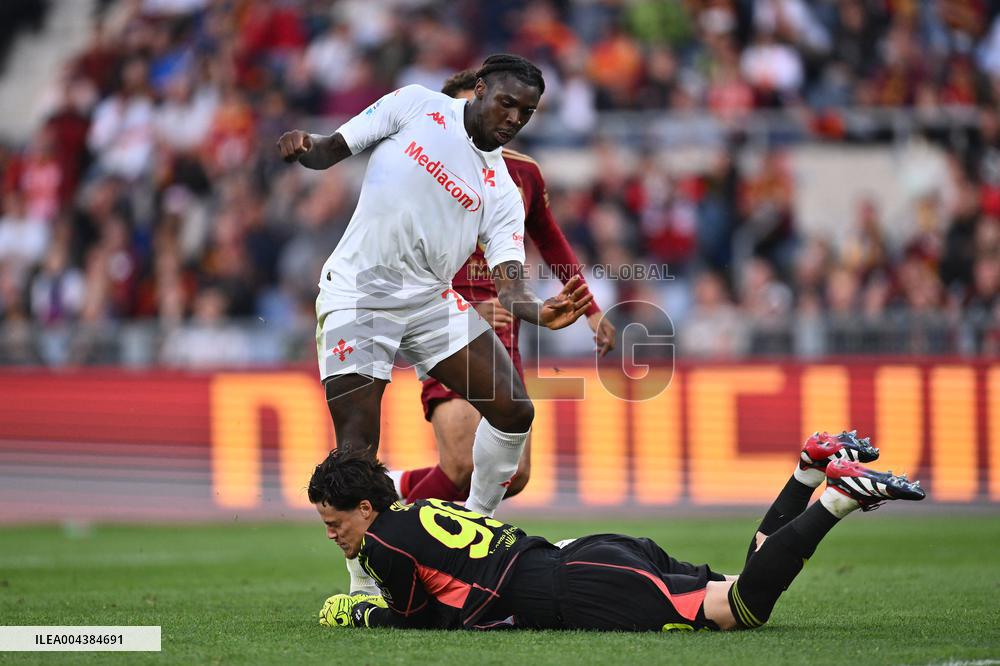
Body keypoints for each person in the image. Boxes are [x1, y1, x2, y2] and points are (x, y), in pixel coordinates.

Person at [278, 53, 591, 596]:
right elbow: (332, 149)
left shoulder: (500, 189)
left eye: (528, 111)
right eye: (507, 102)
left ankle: (476, 525)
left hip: (429, 299)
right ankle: (364, 584)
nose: (515, 117)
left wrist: (538, 311)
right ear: (478, 90)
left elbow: (510, 283)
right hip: (361, 292)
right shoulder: (415, 105)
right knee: (356, 449)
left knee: (514, 409)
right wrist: (305, 146)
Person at [308, 431, 925, 631]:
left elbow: (415, 623)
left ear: (365, 507)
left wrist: (358, 614)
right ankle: (807, 470)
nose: (334, 535)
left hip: (576, 587)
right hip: (585, 552)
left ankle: (836, 498)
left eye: (335, 522)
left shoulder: (383, 543)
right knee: (741, 584)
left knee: (743, 609)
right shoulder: (416, 508)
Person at [395, 70, 617, 505]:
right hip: (440, 323)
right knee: (462, 465)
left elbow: (551, 241)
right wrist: (461, 310)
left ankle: (392, 488)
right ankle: (398, 550)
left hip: (504, 328)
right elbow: (400, 258)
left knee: (512, 474)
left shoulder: (523, 173)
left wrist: (590, 310)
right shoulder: (421, 169)